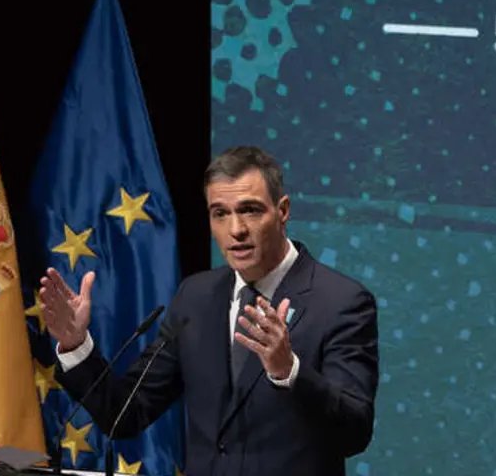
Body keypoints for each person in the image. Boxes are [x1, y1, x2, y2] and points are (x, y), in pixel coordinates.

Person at [39, 145, 380, 476]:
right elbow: (126, 414)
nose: (236, 230)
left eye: (250, 210)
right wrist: (76, 345)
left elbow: (354, 432)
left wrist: (288, 372)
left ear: (283, 211)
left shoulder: (341, 302)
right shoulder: (196, 296)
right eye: (220, 213)